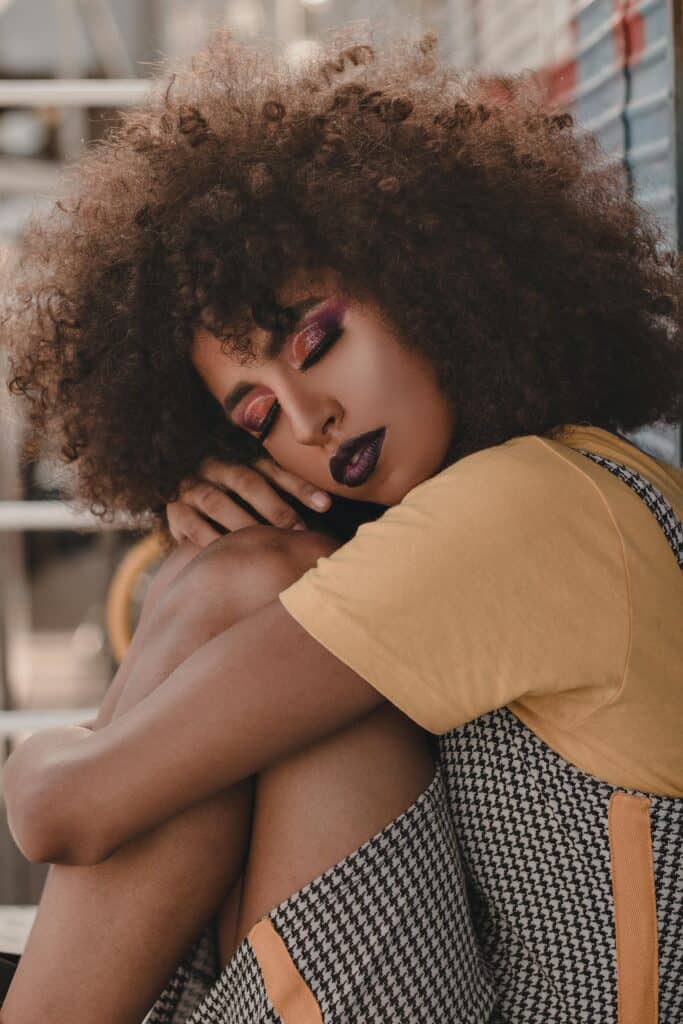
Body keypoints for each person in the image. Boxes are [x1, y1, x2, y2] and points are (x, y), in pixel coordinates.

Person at [1, 23, 682, 1024]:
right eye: (257, 416)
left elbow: (63, 812)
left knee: (251, 593)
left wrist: (43, 750)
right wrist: (201, 533)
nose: (309, 418)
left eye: (317, 340)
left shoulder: (519, 507)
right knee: (251, 607)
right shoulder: (554, 476)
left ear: (428, 278)